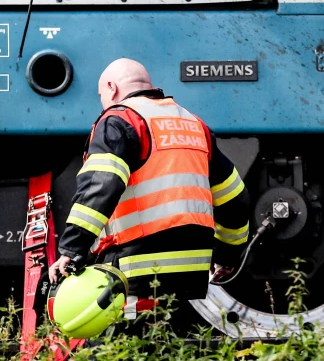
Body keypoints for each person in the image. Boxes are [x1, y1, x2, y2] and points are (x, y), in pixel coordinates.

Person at [48, 58, 250, 304]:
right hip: (193, 275)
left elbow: (101, 187)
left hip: (137, 271)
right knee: (172, 338)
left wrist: (72, 249)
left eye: (101, 95)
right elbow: (235, 198)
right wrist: (227, 256)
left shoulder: (120, 120)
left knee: (119, 341)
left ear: (112, 88)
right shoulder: (195, 125)